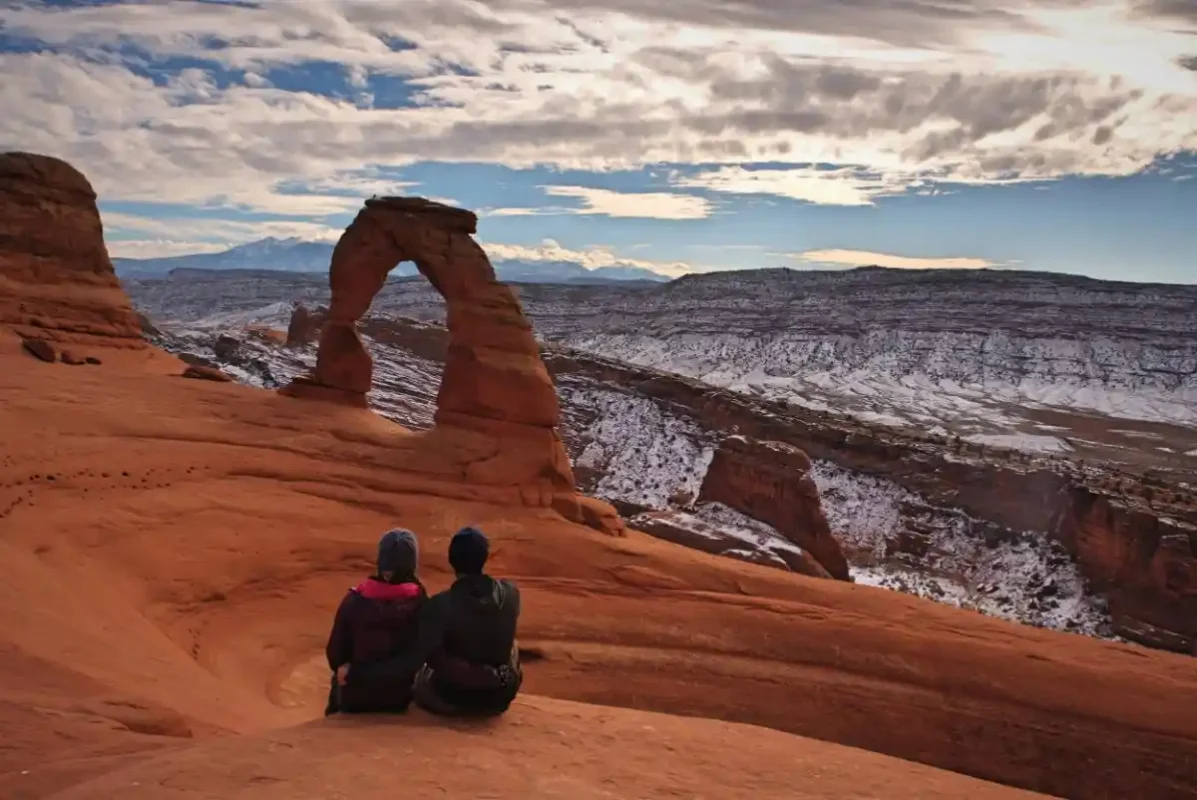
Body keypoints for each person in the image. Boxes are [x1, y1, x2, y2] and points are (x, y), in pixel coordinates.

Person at [412, 526, 523, 717]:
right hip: (500, 696)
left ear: (451, 560)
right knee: (512, 643)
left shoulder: (440, 604)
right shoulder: (511, 593)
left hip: (452, 698)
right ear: (485, 557)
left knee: (424, 661)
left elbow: (428, 655)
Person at [324, 528, 426, 715]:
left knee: (336, 679)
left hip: (354, 696)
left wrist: (355, 672)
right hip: (398, 697)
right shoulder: (420, 602)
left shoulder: (354, 600)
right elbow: (415, 659)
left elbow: (335, 655)